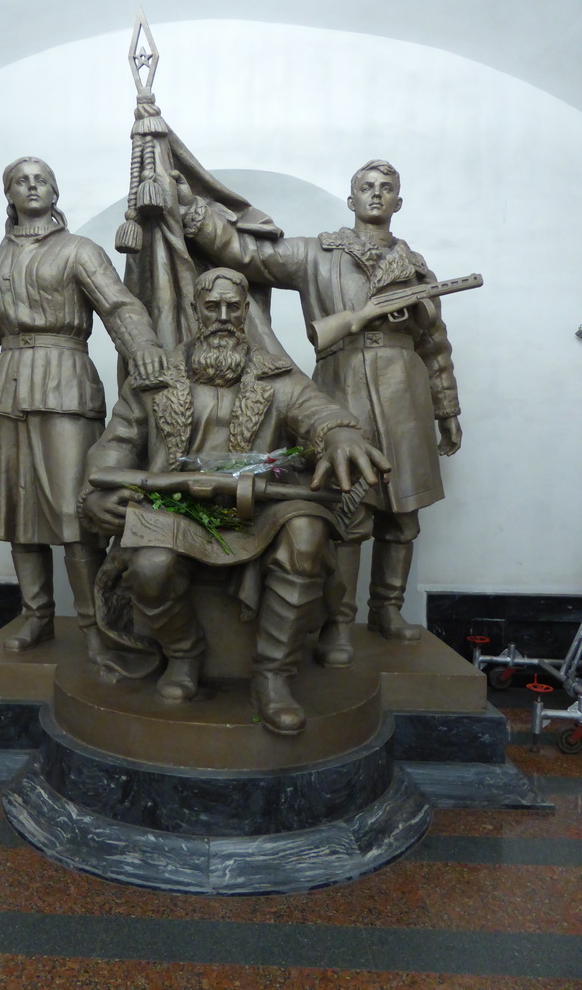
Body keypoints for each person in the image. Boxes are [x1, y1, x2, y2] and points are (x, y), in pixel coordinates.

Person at [80, 267, 390, 736]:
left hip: (262, 507)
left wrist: (342, 433)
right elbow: (113, 448)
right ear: (194, 312)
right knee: (150, 567)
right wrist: (93, 496)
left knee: (307, 534)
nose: (223, 316)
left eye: (233, 307)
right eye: (212, 306)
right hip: (176, 506)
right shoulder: (155, 379)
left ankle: (273, 676)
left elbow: (319, 412)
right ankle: (184, 655)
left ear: (247, 312)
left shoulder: (278, 376)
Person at [171, 161, 461, 662]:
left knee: (404, 513)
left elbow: (435, 345)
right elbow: (246, 253)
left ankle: (387, 611)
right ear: (350, 200)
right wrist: (190, 208)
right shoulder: (316, 252)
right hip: (341, 388)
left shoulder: (417, 269)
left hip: (406, 394)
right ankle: (337, 625)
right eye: (366, 187)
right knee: (348, 512)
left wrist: (446, 407)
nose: (376, 194)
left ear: (398, 201)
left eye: (386, 188)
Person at [0, 157, 165, 657]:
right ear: (9, 194)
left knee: (77, 513)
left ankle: (96, 627)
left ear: (55, 191)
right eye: (21, 180)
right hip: (5, 390)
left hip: (64, 382)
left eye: (41, 179)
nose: (32, 186)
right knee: (17, 514)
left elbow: (118, 306)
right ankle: (36, 615)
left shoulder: (79, 251)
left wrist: (145, 351)